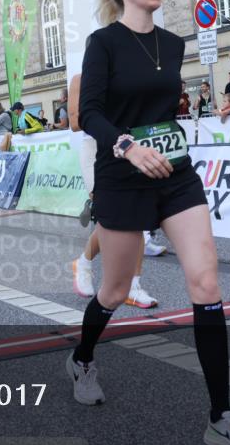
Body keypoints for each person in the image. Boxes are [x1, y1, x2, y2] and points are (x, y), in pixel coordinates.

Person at [76, 0, 230, 445]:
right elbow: (88, 114)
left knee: (206, 281)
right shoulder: (103, 43)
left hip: (175, 173)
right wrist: (126, 145)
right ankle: (82, 357)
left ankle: (220, 417)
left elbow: (164, 109)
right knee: (115, 292)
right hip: (121, 173)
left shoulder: (173, 43)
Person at [68, 72, 161, 310]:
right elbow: (75, 122)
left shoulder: (124, 75)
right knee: (109, 215)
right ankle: (84, 262)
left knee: (137, 215)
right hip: (96, 149)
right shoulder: (81, 79)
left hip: (128, 147)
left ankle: (134, 287)